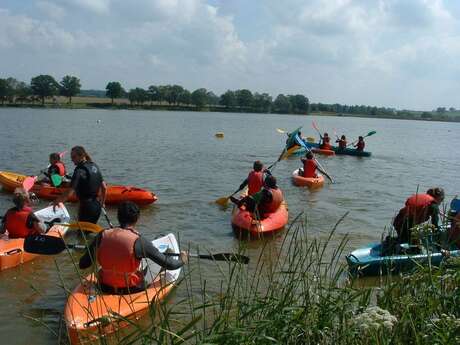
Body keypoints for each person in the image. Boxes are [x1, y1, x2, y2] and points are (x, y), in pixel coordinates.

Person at [79, 201, 188, 294]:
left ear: (118, 217)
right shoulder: (139, 241)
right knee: (168, 252)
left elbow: (83, 264)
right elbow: (170, 265)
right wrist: (182, 259)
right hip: (131, 290)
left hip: (104, 287)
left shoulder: (102, 234)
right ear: (137, 219)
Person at [53, 146, 107, 224]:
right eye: (71, 157)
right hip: (97, 206)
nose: (72, 159)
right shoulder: (94, 165)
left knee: (82, 234)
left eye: (74, 157)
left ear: (81, 156)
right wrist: (102, 203)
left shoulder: (79, 170)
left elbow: (69, 193)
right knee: (89, 231)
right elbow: (104, 187)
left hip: (86, 208)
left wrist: (57, 201)